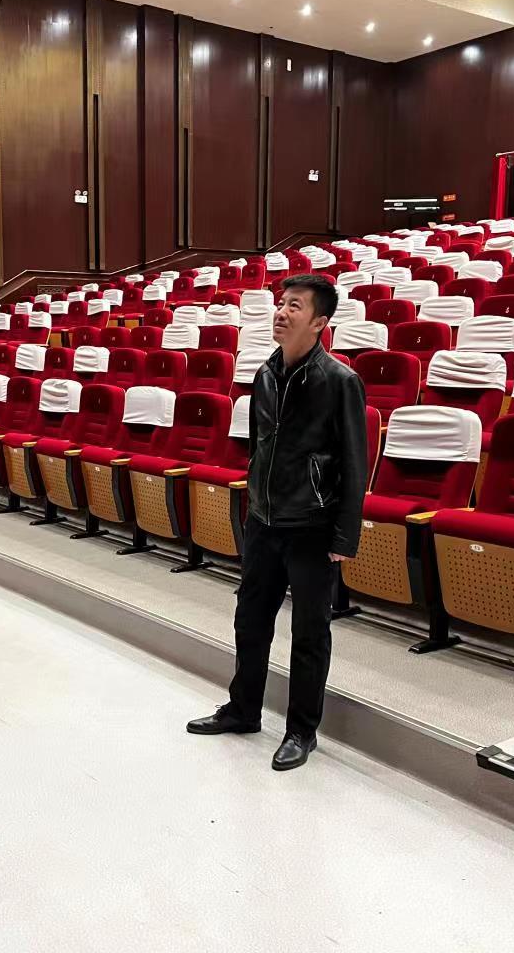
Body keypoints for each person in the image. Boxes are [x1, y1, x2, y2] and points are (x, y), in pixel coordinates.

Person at [186, 274, 368, 771]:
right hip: (264, 521)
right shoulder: (265, 373)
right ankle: (243, 709)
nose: (281, 312)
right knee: (250, 620)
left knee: (309, 633)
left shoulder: (340, 380)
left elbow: (355, 464)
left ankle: (301, 730)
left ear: (320, 322)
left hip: (312, 525)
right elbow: (260, 448)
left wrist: (344, 536)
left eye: (295, 306)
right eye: (281, 303)